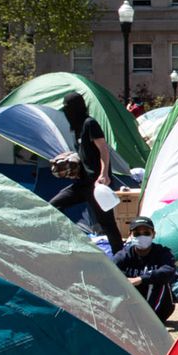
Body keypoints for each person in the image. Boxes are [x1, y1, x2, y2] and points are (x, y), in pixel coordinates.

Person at [51, 92, 121, 243]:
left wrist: (104, 174)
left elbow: (103, 149)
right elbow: (85, 153)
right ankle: (65, 240)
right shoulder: (77, 128)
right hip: (82, 184)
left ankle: (120, 260)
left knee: (108, 225)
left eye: (68, 110)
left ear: (76, 109)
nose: (67, 114)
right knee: (54, 205)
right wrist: (69, 157)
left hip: (97, 186)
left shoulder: (90, 124)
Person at [114, 217, 178, 320]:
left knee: (161, 280)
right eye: (137, 233)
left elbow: (169, 270)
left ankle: (151, 318)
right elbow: (109, 270)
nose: (142, 236)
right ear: (130, 235)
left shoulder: (162, 252)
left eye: (146, 233)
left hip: (160, 308)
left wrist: (140, 279)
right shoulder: (124, 255)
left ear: (153, 234)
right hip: (132, 305)